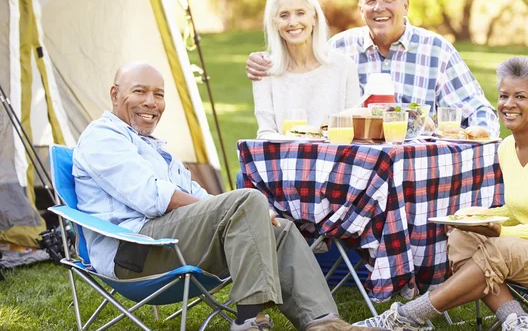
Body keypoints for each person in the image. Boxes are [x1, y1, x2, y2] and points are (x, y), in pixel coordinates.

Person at [72, 62, 386, 331]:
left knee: (280, 228)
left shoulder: (155, 146)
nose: (151, 102)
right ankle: (250, 319)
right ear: (115, 95)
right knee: (248, 200)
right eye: (139, 92)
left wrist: (244, 213)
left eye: (158, 94)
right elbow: (152, 198)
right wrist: (238, 207)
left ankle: (324, 322)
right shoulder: (102, 137)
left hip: (172, 241)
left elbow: (196, 195)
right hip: (136, 252)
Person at [353, 56, 528, 330]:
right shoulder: (507, 147)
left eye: (521, 96)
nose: (509, 104)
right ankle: (517, 321)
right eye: (504, 95)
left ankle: (406, 317)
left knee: (498, 248)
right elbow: (524, 209)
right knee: (462, 238)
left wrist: (500, 232)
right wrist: (478, 217)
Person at [246, 0, 500, 138]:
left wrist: (480, 131)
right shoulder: (340, 49)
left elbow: (477, 110)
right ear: (361, 9)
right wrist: (263, 61)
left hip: (414, 165)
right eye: (371, 1)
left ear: (405, 5)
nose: (379, 8)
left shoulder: (435, 50)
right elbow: (302, 67)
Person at [253, 0, 360, 139]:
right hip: (285, 160)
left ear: (314, 18)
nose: (293, 22)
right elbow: (266, 133)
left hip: (335, 160)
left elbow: (354, 128)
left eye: (300, 13)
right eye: (284, 15)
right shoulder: (265, 70)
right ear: (274, 23)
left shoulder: (343, 67)